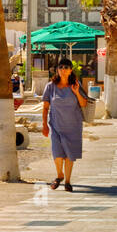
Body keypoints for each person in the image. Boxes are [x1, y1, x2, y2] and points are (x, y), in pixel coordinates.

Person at [42, 58, 88, 192]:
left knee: (69, 155)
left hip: (73, 126)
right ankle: (59, 175)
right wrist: (44, 125)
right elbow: (45, 108)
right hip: (56, 125)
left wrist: (76, 92)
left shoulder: (76, 84)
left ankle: (67, 181)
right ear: (57, 69)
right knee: (57, 154)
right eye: (60, 67)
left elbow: (83, 103)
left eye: (66, 67)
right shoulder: (50, 86)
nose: (63, 69)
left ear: (70, 70)